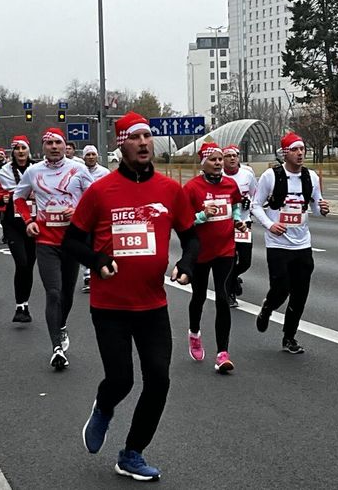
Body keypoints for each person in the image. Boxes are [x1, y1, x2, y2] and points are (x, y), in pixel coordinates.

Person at [63, 111, 198, 481]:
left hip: (152, 303)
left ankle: (132, 453)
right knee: (121, 379)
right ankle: (103, 407)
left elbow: (191, 236)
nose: (143, 143)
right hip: (110, 306)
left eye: (147, 137)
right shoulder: (100, 191)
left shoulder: (170, 190)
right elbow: (71, 240)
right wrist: (97, 258)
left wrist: (187, 263)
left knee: (159, 379)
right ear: (121, 144)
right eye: (134, 137)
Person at [13, 127, 93, 369]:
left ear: (64, 145)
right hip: (46, 241)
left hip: (72, 241)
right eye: (50, 144)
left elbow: (95, 199)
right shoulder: (33, 171)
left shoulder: (78, 169)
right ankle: (56, 348)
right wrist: (28, 221)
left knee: (67, 295)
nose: (54, 147)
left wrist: (78, 211)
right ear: (43, 147)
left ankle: (61, 326)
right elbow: (18, 198)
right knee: (54, 293)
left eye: (58, 143)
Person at [251, 132, 329, 353]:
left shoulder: (311, 177)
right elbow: (256, 205)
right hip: (278, 244)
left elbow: (314, 206)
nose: (300, 153)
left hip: (302, 243)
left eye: (302, 149)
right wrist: (270, 225)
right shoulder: (271, 176)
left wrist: (322, 209)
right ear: (285, 153)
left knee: (300, 293)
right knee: (281, 288)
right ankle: (268, 307)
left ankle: (289, 338)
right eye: (295, 149)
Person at [183, 142, 246, 373]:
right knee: (198, 296)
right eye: (214, 160)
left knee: (222, 297)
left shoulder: (230, 184)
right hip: (200, 252)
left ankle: (222, 353)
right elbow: (183, 222)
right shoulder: (191, 188)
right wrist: (201, 215)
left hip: (225, 250)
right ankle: (194, 333)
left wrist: (237, 219)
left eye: (220, 159)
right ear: (204, 163)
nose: (219, 163)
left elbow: (236, 205)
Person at [0, 135, 36, 323]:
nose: (21, 152)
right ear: (12, 152)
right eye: (17, 149)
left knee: (29, 265)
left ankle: (25, 304)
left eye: (24, 148)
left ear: (28, 150)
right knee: (21, 263)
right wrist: (4, 198)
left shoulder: (37, 169)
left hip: (33, 223)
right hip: (13, 224)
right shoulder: (5, 172)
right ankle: (19, 305)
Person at [222, 144, 257, 307]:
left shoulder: (247, 174)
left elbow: (255, 195)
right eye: (228, 156)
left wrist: (248, 204)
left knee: (245, 261)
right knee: (229, 260)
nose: (232, 158)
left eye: (235, 155)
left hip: (243, 223)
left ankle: (233, 277)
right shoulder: (219, 175)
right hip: (224, 224)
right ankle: (229, 293)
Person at [80, 144, 110, 292]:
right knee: (86, 245)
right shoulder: (78, 173)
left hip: (101, 215)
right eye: (88, 155)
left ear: (97, 156)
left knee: (101, 244)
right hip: (84, 215)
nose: (91, 157)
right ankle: (87, 275)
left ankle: (103, 270)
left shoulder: (105, 172)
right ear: (83, 157)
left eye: (93, 154)